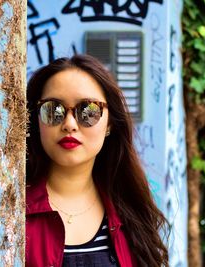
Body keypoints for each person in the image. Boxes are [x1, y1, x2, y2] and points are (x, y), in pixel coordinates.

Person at [26, 54, 168, 267]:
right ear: (36, 120)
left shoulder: (129, 213)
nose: (70, 124)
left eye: (88, 111)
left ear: (109, 123)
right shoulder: (13, 211)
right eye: (53, 109)